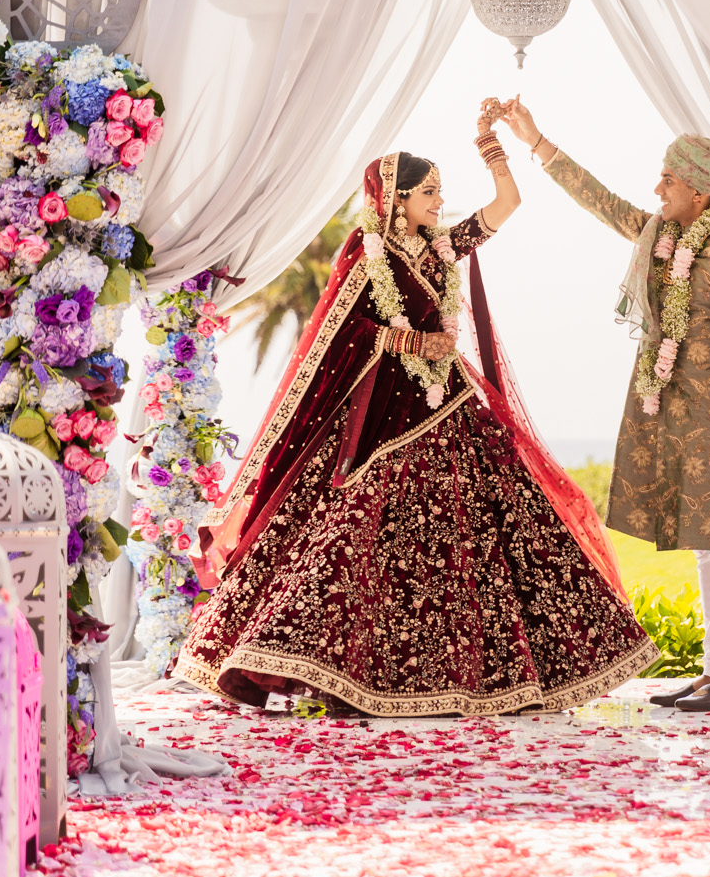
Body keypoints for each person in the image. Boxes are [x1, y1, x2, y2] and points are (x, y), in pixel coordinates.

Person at [174, 102, 656, 716]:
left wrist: (493, 149)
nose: (438, 200)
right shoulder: (365, 255)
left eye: (440, 191)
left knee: (492, 525)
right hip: (385, 416)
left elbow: (506, 206)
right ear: (395, 199)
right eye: (428, 192)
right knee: (358, 534)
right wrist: (404, 339)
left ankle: (490, 671)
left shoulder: (438, 250)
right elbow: (338, 335)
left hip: (448, 400)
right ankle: (330, 667)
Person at [498, 102, 710, 713]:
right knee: (705, 542)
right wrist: (536, 140)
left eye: (667, 180)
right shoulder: (658, 234)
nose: (656, 188)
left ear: (698, 192)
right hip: (666, 409)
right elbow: (598, 199)